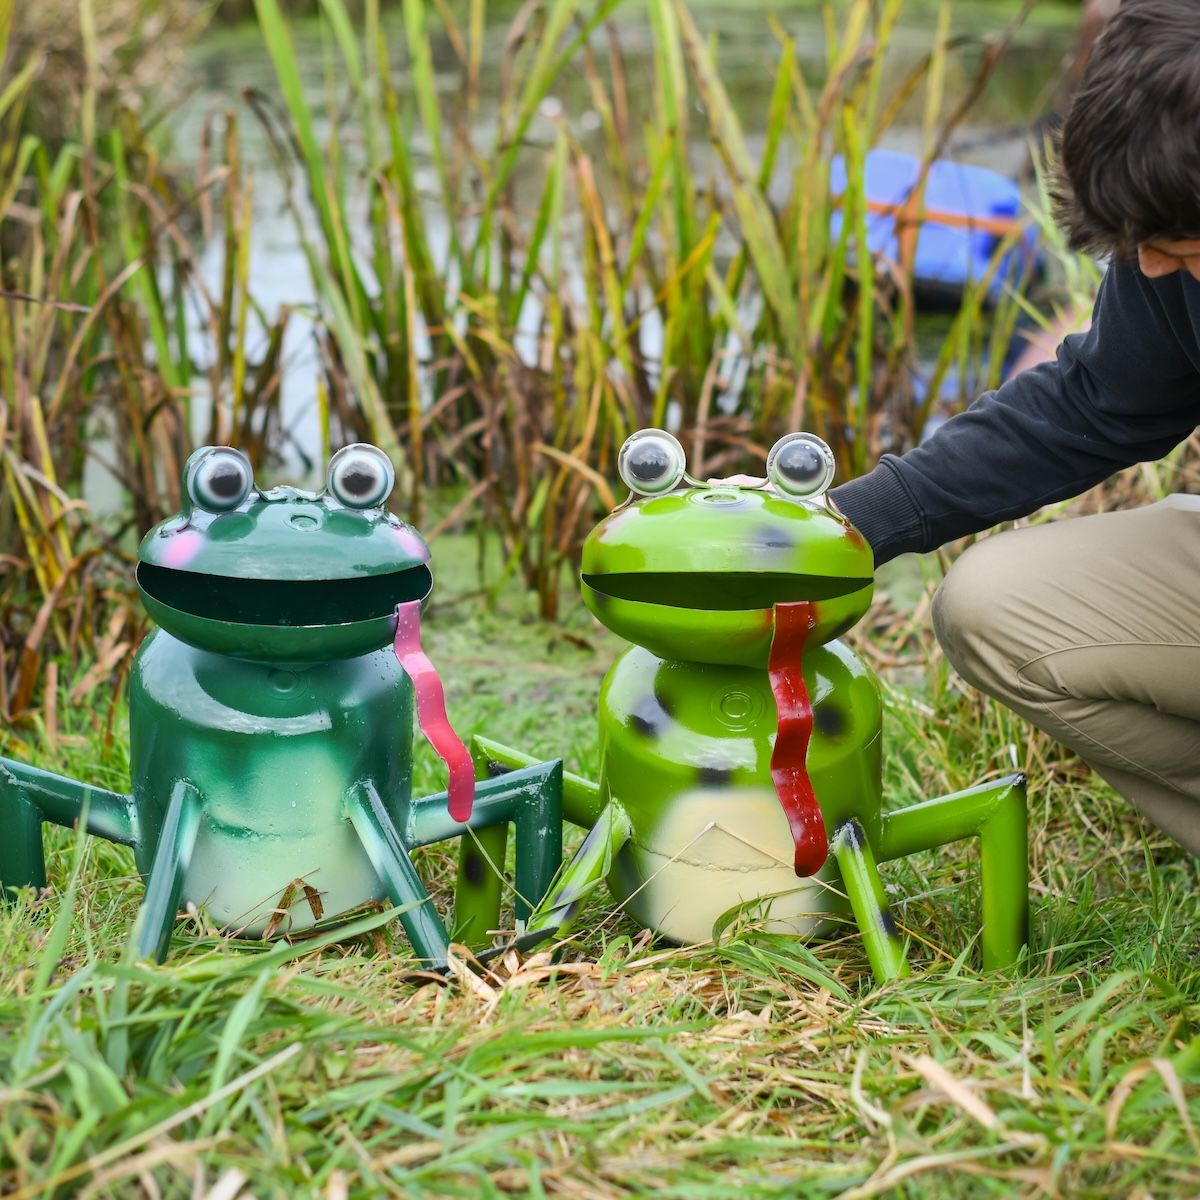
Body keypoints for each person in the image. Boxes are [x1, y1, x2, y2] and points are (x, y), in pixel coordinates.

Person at [828, 0, 1200, 857]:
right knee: (994, 604)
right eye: (1138, 245)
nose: (1151, 268)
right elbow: (1096, 402)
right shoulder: (1167, 238)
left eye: (1179, 248)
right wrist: (849, 521)